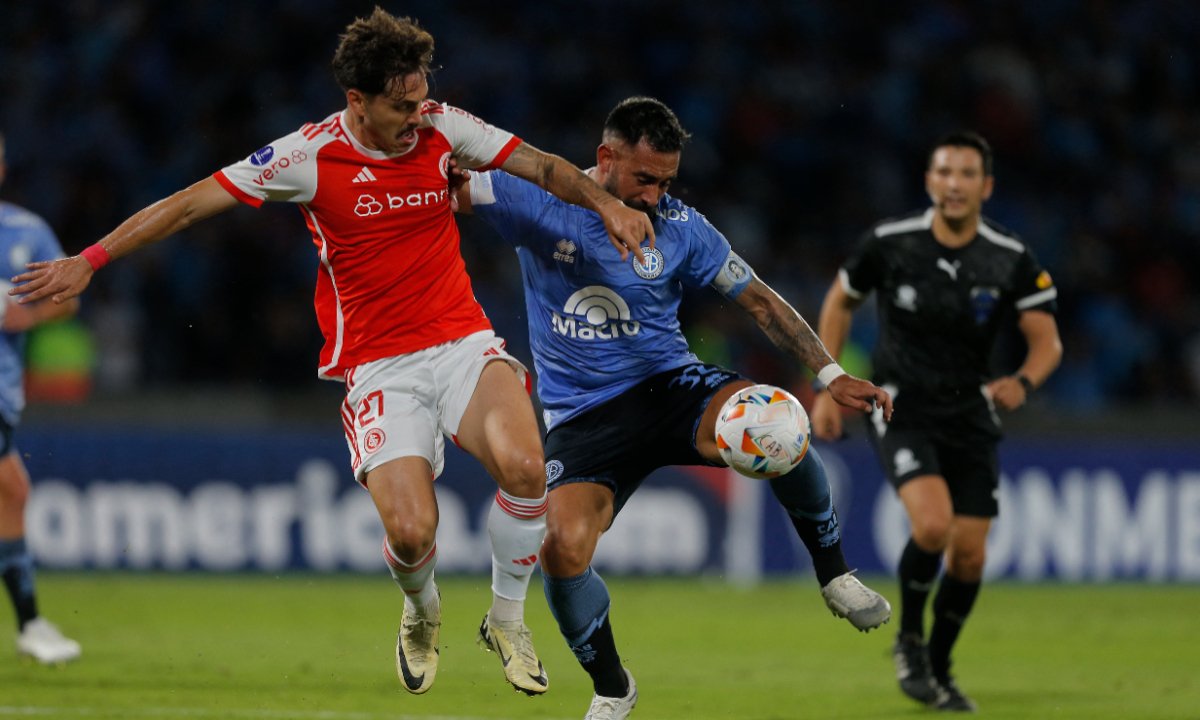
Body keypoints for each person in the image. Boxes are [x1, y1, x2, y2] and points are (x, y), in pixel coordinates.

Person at [11, 8, 655, 696]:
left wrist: (605, 205)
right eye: (401, 106)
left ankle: (506, 619)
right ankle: (421, 609)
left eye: (420, 99)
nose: (417, 116)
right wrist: (92, 258)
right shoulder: (307, 157)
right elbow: (191, 203)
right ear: (358, 100)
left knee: (528, 468)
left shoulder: (442, 125)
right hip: (380, 365)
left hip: (461, 341)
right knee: (411, 533)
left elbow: (545, 166)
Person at [455, 96, 894, 720]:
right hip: (584, 418)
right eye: (645, 179)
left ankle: (835, 576)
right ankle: (613, 687)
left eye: (666, 181)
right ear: (605, 159)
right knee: (560, 546)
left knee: (776, 422)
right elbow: (441, 187)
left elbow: (762, 303)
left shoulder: (682, 227)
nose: (657, 196)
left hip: (672, 388)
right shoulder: (538, 198)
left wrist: (828, 372)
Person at [811, 131, 1063, 712]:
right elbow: (839, 301)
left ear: (986, 186)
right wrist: (826, 385)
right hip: (901, 406)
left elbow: (1047, 342)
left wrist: (1023, 382)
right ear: (930, 181)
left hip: (971, 412)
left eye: (966, 174)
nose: (954, 183)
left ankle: (940, 667)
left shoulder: (1010, 256)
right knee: (933, 526)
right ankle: (908, 642)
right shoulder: (890, 243)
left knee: (970, 555)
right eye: (944, 172)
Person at [0, 132, 84, 665]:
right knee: (10, 489)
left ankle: (30, 622)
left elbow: (67, 297)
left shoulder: (26, 230)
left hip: (4, 390)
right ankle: (30, 622)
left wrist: (26, 315)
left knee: (11, 492)